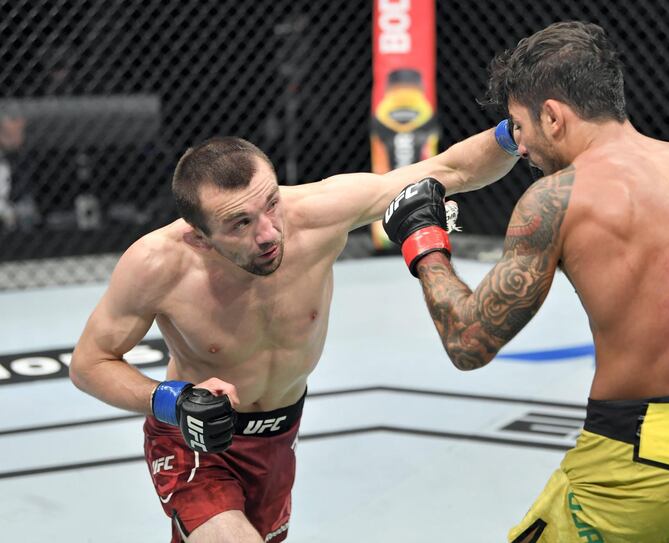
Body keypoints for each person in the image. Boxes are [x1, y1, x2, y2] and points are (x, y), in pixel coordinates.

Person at [383, 21, 669, 543]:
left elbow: (468, 341)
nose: (521, 148)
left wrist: (423, 240)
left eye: (521, 128)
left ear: (553, 116)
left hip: (630, 473)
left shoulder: (559, 197)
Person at [68, 130, 516, 542]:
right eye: (239, 224)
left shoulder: (321, 212)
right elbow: (90, 363)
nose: (268, 233)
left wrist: (517, 130)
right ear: (199, 237)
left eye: (271, 204)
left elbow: (454, 169)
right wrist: (174, 400)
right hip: (195, 440)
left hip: (279, 437)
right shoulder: (156, 265)